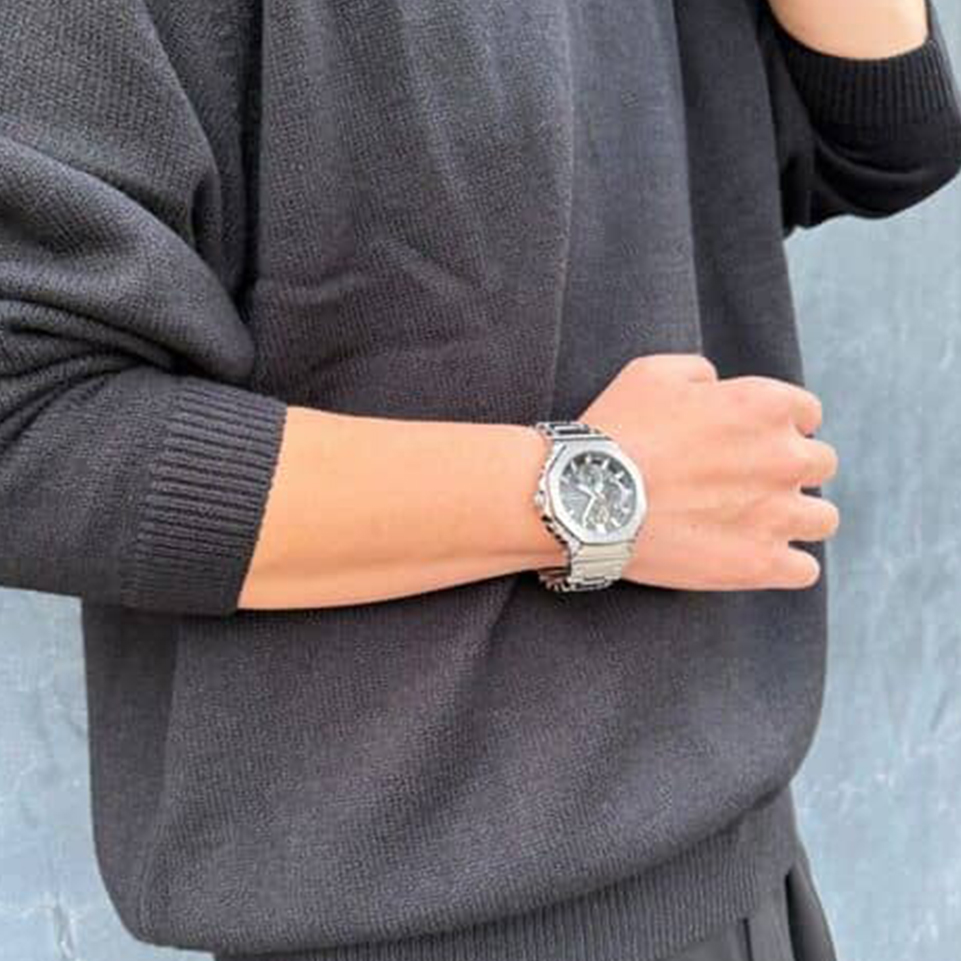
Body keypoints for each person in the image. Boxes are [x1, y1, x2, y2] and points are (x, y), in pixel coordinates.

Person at [0, 0, 959, 959]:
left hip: (737, 861)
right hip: (404, 909)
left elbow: (878, 142)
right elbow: (32, 431)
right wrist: (599, 489)